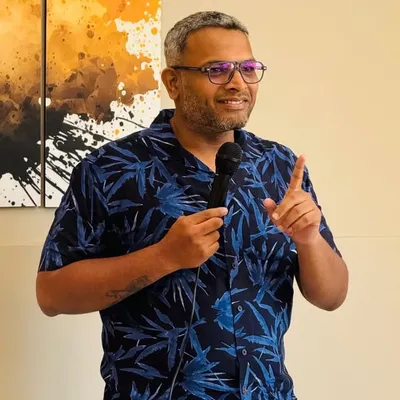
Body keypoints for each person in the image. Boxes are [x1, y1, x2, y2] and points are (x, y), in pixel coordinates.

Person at [36, 11, 348, 400]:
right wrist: (163, 258)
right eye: (217, 69)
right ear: (173, 82)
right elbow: (51, 294)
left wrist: (309, 240)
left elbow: (332, 295)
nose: (238, 82)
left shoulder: (280, 166)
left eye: (248, 68)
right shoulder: (108, 170)